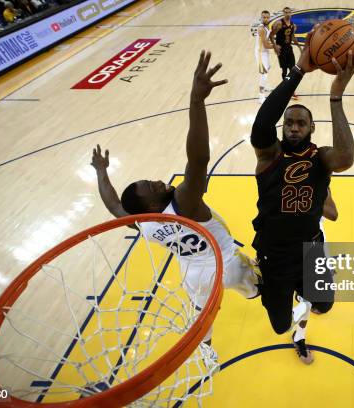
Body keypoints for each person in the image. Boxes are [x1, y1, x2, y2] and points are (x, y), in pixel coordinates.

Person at [91, 51, 260, 349]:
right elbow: (199, 158)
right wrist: (197, 101)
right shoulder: (184, 202)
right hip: (227, 264)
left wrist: (102, 172)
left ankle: (206, 350)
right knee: (260, 288)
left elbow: (115, 206)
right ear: (152, 205)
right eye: (151, 187)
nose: (157, 181)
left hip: (193, 274)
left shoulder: (143, 223)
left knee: (201, 316)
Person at [250, 28, 354, 364]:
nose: (295, 127)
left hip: (310, 248)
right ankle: (265, 283)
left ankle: (297, 290)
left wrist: (336, 96)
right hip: (275, 253)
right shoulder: (269, 156)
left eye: (301, 123)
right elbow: (260, 126)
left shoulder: (321, 157)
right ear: (283, 128)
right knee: (279, 324)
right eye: (290, 123)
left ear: (311, 129)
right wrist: (297, 70)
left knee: (325, 303)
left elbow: (346, 158)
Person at [269, 6, 301, 100]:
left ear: (291, 13)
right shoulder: (279, 23)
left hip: (289, 49)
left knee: (293, 69)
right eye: (286, 12)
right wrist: (275, 46)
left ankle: (290, 89)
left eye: (289, 12)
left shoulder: (293, 25)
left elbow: (293, 37)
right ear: (283, 13)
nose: (287, 14)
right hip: (281, 50)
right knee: (284, 70)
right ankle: (287, 89)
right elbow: (271, 35)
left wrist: (299, 47)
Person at [254, 10, 273, 104]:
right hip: (260, 54)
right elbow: (266, 45)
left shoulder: (267, 26)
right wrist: (278, 46)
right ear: (261, 18)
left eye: (267, 17)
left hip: (265, 52)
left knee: (268, 68)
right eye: (264, 17)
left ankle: (265, 87)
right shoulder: (261, 29)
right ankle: (261, 97)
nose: (266, 19)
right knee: (263, 75)